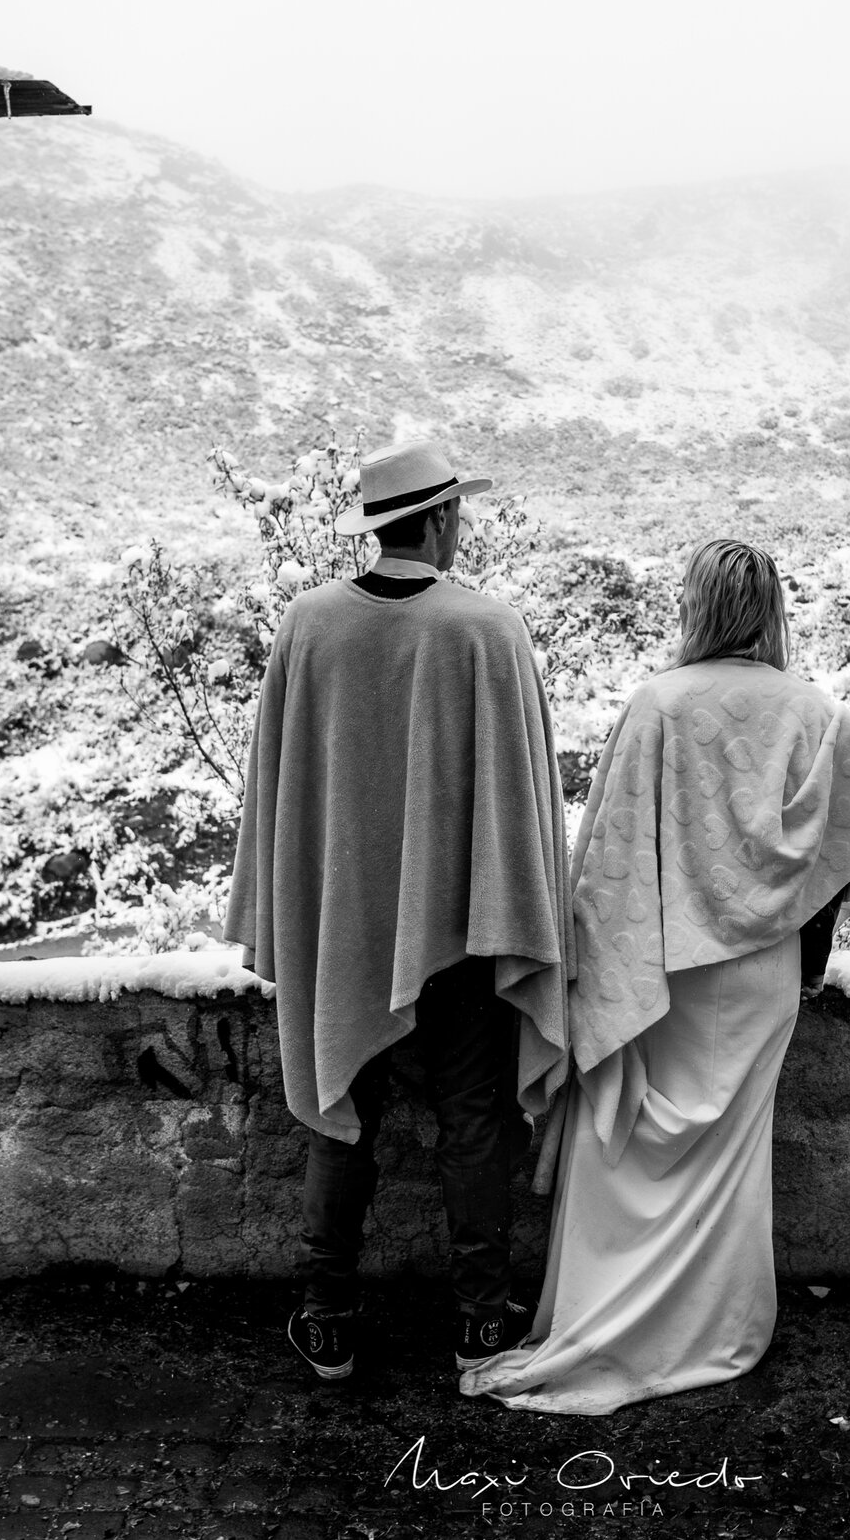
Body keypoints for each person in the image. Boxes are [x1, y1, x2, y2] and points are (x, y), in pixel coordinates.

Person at [460, 538, 850, 1415]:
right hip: (760, 978)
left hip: (661, 972)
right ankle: (721, 1330)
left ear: (695, 607)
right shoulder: (817, 714)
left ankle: (603, 1322)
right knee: (732, 1163)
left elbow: (609, 863)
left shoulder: (658, 706)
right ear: (772, 608)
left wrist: (593, 973)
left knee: (618, 1149)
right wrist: (804, 941)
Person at [226, 440, 571, 1384]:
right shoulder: (486, 629)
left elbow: (281, 788)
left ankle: (327, 1314)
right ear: (444, 518)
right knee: (473, 1116)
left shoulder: (310, 625)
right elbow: (522, 800)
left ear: (379, 525)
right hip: (461, 924)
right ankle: (479, 1324)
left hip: (340, 925)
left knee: (342, 1109)